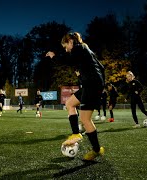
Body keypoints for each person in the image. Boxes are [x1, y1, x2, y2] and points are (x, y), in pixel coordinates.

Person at [46, 32, 105, 161]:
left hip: (92, 85)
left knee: (85, 119)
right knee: (69, 104)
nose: (65, 49)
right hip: (90, 85)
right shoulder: (85, 50)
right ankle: (76, 133)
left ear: (71, 42)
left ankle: (96, 150)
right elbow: (101, 67)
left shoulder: (79, 48)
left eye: (65, 46)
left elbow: (67, 61)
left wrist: (53, 56)